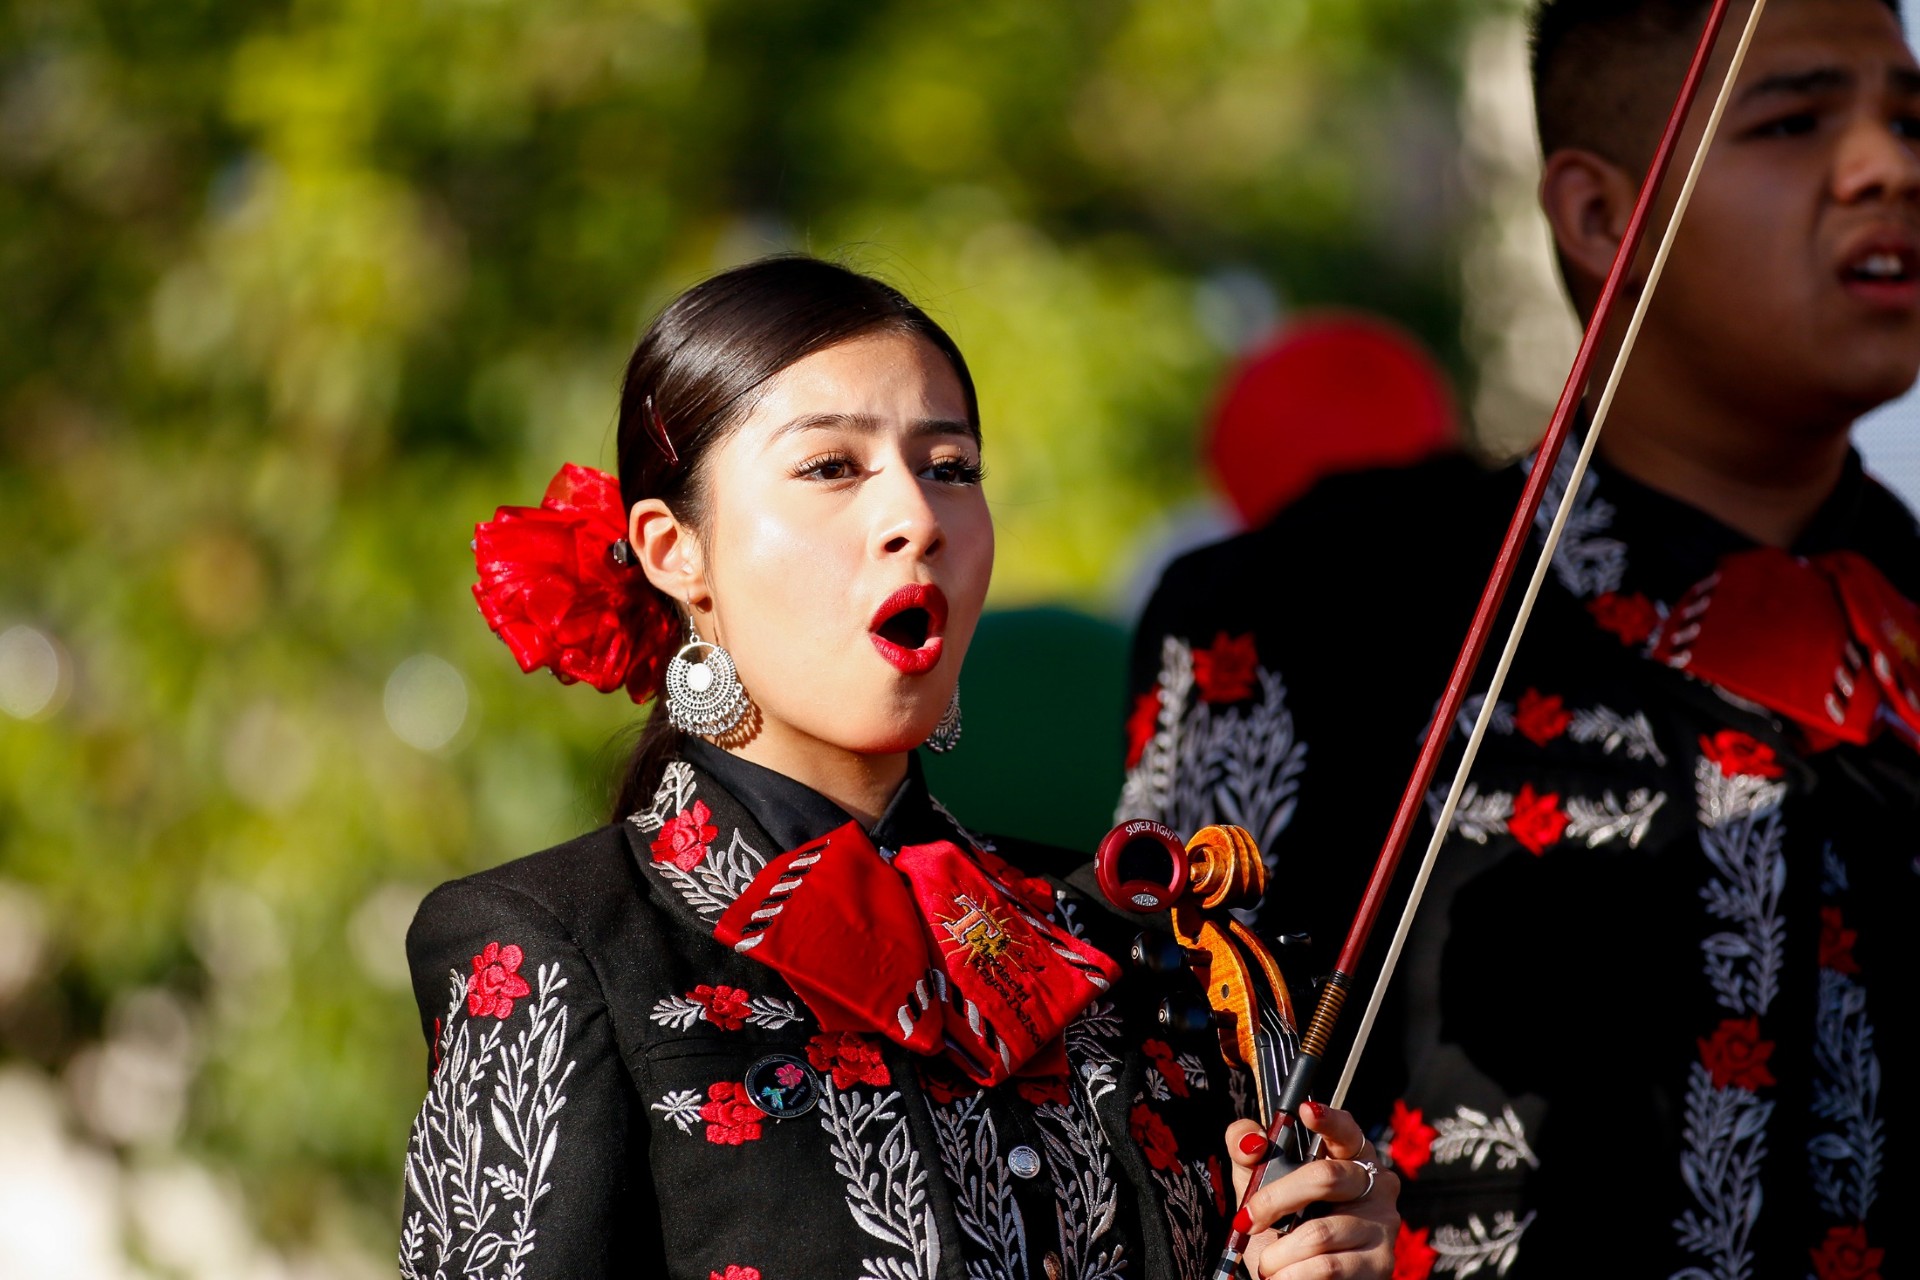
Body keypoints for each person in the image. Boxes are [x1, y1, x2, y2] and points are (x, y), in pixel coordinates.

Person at [397, 255, 1399, 1280]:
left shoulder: (1121, 945)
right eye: (831, 466)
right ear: (673, 549)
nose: (917, 517)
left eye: (951, 466)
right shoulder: (556, 941)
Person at [1118, 0, 1920, 1275]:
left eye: (1909, 119)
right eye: (1795, 120)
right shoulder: (1319, 609)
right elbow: (1162, 1164)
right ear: (1603, 218)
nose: (1889, 167)